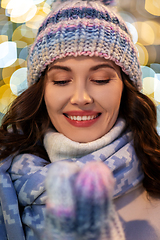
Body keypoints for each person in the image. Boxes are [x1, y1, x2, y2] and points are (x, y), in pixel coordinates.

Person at [0, 0, 160, 239]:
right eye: (62, 80)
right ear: (41, 91)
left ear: (125, 89)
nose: (81, 98)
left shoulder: (154, 174)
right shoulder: (6, 180)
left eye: (101, 79)